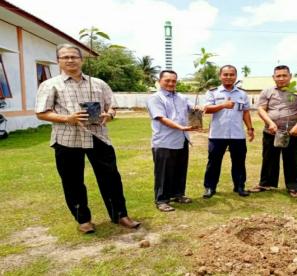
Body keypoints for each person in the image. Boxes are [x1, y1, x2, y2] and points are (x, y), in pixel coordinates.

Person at [35, 44, 140, 234]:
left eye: (74, 56)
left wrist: (109, 115)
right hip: (67, 139)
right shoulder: (50, 85)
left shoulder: (98, 83)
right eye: (65, 57)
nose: (70, 60)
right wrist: (68, 118)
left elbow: (112, 107)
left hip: (98, 136)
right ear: (58, 61)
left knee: (111, 178)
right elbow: (41, 113)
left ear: (81, 59)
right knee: (72, 181)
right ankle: (83, 220)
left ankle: (120, 215)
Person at [250, 65, 297, 198]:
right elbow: (261, 109)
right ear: (273, 77)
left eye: (284, 75)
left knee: (293, 160)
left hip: (293, 132)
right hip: (271, 131)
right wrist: (270, 123)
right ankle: (265, 184)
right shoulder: (267, 91)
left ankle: (294, 187)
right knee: (269, 158)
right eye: (278, 76)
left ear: (290, 76)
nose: (281, 78)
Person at [147, 70, 197, 212]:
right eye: (167, 80)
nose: (170, 83)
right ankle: (161, 200)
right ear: (160, 81)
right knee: (163, 173)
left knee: (180, 170)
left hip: (182, 139)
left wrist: (198, 107)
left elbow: (192, 107)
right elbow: (161, 118)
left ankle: (178, 194)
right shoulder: (155, 98)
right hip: (164, 141)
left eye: (173, 81)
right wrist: (180, 127)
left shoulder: (182, 97)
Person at [202, 65, 254, 198]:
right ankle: (210, 187)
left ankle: (240, 186)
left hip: (237, 134)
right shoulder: (213, 92)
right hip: (217, 134)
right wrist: (222, 105)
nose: (229, 77)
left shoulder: (242, 94)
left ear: (236, 76)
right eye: (225, 74)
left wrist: (250, 128)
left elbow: (245, 112)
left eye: (232, 74)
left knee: (239, 162)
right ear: (220, 76)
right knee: (214, 162)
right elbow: (206, 109)